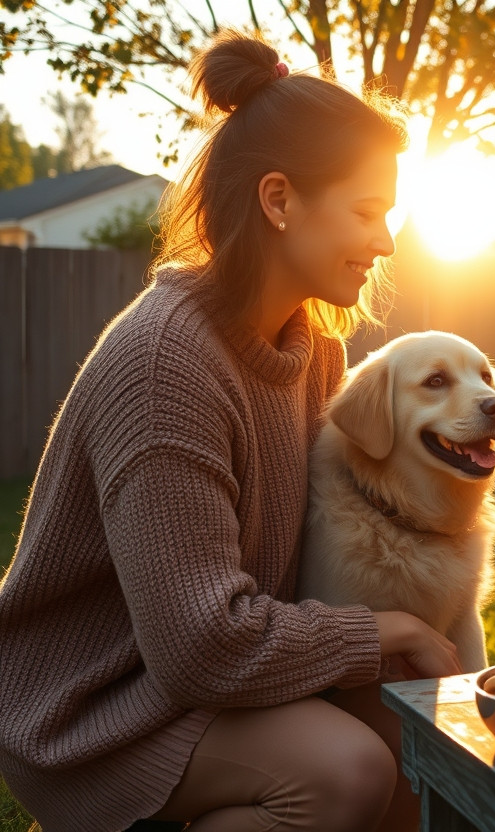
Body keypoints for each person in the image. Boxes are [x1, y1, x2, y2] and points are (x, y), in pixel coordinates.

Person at [0, 30, 458, 832]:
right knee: (345, 772)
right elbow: (198, 645)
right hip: (96, 711)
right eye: (366, 211)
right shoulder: (163, 369)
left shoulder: (310, 348)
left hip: (200, 680)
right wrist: (385, 629)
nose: (385, 243)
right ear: (278, 201)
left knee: (425, 751)